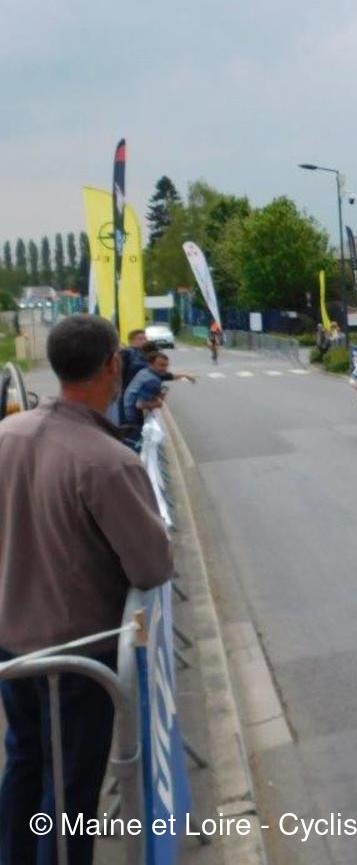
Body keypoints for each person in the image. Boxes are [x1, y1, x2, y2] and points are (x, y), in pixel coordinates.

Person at [0, 315, 172, 865]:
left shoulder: (8, 436)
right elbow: (152, 566)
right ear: (112, 365)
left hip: (12, 644)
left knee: (24, 764)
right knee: (71, 791)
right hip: (77, 657)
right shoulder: (108, 462)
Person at [120, 347, 176, 449]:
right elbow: (139, 404)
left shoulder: (144, 372)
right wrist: (158, 403)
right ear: (150, 364)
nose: (164, 368)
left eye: (166, 365)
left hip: (124, 412)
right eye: (161, 365)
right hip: (133, 420)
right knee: (136, 448)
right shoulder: (152, 380)